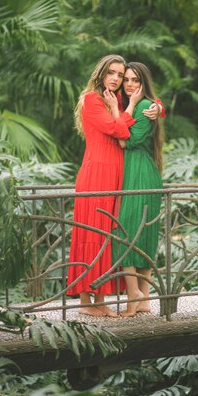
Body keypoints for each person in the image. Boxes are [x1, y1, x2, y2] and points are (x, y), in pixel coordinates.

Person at [67, 54, 162, 317]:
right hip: (97, 172)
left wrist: (158, 107)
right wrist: (129, 108)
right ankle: (88, 302)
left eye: (120, 75)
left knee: (107, 237)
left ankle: (101, 300)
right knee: (91, 235)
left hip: (117, 175)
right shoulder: (93, 99)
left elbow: (146, 102)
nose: (117, 79)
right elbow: (118, 130)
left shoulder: (116, 98)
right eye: (112, 72)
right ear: (101, 73)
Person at [112, 62, 164, 317]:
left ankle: (134, 297)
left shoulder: (144, 107)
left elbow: (126, 141)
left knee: (127, 234)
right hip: (136, 172)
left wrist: (139, 107)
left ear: (144, 83)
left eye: (135, 80)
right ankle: (144, 299)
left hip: (141, 174)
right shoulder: (134, 106)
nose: (130, 84)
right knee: (140, 234)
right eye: (127, 80)